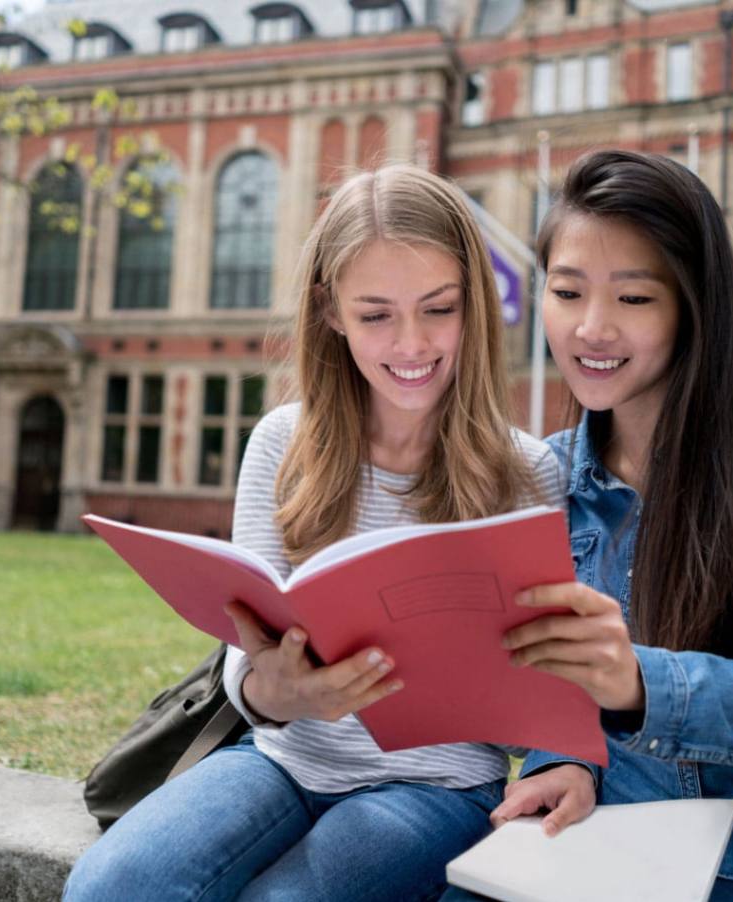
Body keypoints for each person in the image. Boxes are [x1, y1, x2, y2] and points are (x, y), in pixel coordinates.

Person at [64, 163, 566, 902]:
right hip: (281, 758)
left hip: (437, 786)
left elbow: (537, 706)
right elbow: (247, 665)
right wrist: (283, 691)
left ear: (475, 306)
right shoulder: (281, 443)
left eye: (439, 309)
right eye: (376, 315)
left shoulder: (527, 472)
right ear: (330, 313)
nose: (411, 343)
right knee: (110, 887)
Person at [443, 150, 733, 901]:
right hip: (596, 842)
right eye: (567, 292)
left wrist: (636, 681)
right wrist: (557, 760)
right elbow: (552, 701)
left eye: (635, 299)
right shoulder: (548, 471)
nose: (592, 329)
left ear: (692, 306)